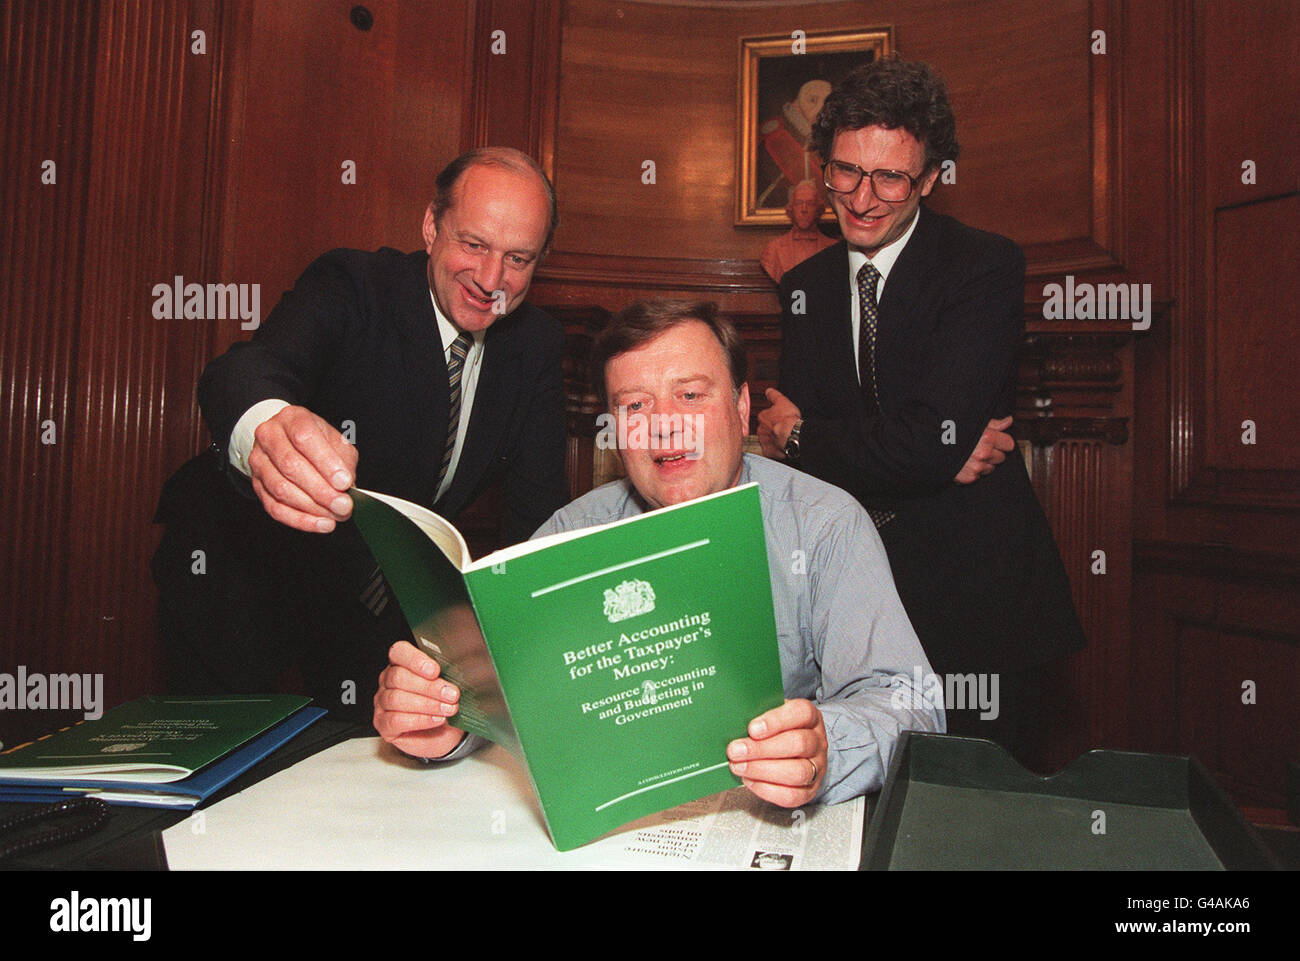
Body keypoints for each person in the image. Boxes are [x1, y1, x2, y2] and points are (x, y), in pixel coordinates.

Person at [374, 300, 942, 807]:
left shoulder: (824, 525)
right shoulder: (569, 533)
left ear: (742, 409)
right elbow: (507, 693)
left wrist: (825, 747)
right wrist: (446, 721)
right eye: (636, 406)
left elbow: (912, 703)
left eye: (690, 396)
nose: (665, 428)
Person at [152, 147, 569, 720]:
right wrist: (269, 425)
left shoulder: (537, 348)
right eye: (473, 245)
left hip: (376, 600)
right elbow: (245, 370)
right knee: (221, 765)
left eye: (517, 258)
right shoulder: (354, 283)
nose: (491, 279)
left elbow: (538, 519)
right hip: (239, 566)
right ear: (430, 226)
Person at [757, 58, 1086, 760]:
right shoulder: (804, 284)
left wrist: (804, 435)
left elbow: (900, 442)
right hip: (852, 607)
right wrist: (925, 452)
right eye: (845, 171)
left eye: (891, 178)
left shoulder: (984, 265)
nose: (863, 197)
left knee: (978, 830)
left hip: (978, 607)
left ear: (932, 177)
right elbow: (864, 465)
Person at [760, 180, 837, 284]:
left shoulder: (834, 250)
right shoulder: (773, 250)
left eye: (810, 204)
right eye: (799, 203)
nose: (804, 209)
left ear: (818, 209)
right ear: (791, 208)